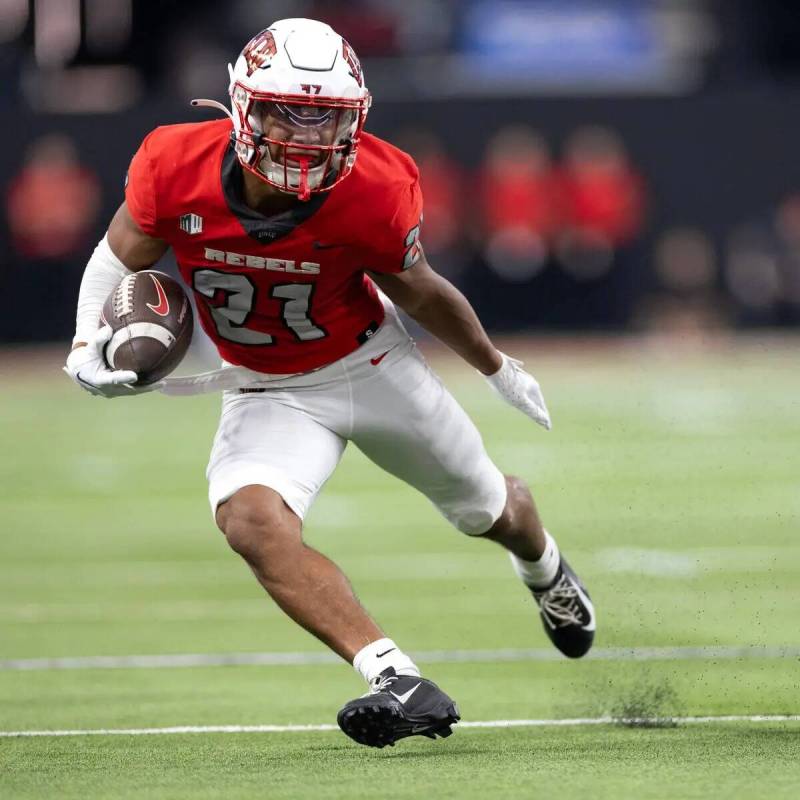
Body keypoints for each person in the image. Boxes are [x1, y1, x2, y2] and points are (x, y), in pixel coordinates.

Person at [63, 18, 595, 748]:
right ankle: (396, 678)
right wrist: (88, 340)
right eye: (289, 111)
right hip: (265, 386)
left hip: (370, 367)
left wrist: (495, 367)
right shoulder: (173, 162)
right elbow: (118, 253)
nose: (309, 135)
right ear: (245, 106)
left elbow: (421, 290)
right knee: (249, 521)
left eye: (329, 118)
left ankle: (545, 567)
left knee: (490, 510)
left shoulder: (375, 183)